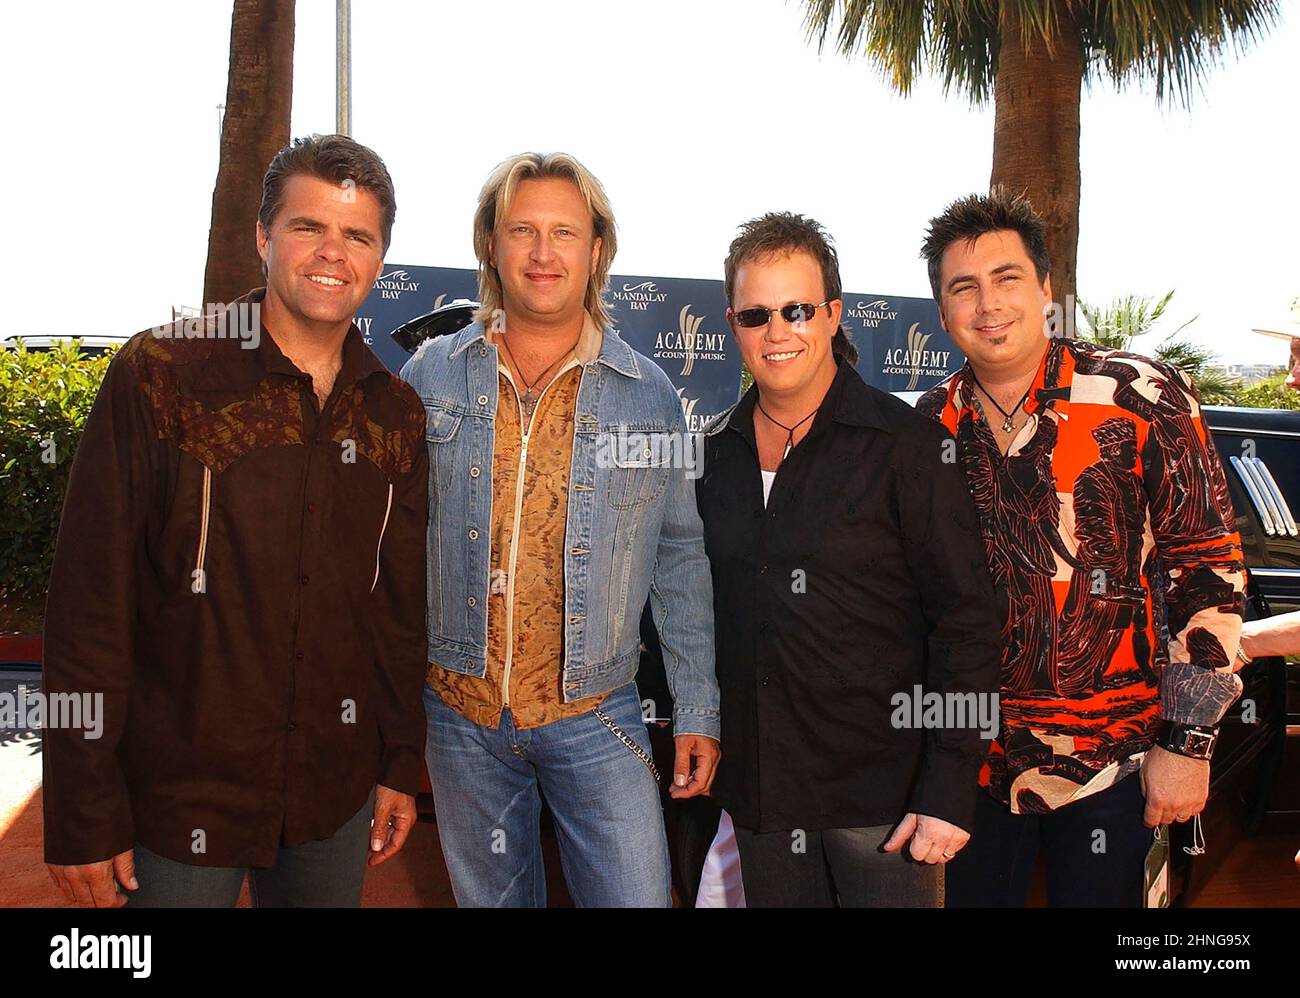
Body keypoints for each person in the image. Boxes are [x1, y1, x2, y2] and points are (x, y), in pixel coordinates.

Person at [43, 134, 429, 907]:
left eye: (357, 236)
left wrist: (396, 763)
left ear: (380, 258)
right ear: (264, 236)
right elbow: (90, 604)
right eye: (307, 227)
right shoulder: (162, 374)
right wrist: (82, 810)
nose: (332, 253)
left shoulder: (395, 412)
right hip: (178, 799)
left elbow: (395, 612)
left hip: (331, 796)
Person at [400, 151, 720, 907]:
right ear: (490, 245)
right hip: (460, 713)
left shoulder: (651, 397)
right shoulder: (429, 377)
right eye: (523, 230)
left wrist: (698, 708)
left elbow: (680, 562)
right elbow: (387, 546)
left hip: (595, 712)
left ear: (597, 250)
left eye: (565, 234)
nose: (544, 253)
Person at [917, 187, 1247, 907]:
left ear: (1045, 288)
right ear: (943, 313)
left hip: (1121, 768)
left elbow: (1208, 571)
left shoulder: (1142, 396)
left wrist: (1186, 747)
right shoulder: (928, 425)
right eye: (963, 288)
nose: (988, 304)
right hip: (972, 773)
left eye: (1007, 278)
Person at [693, 212, 1001, 907]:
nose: (778, 331)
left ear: (833, 314)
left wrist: (949, 788)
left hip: (885, 806)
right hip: (765, 798)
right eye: (756, 313)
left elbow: (969, 624)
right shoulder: (714, 455)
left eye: (798, 309)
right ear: (733, 323)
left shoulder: (909, 448)